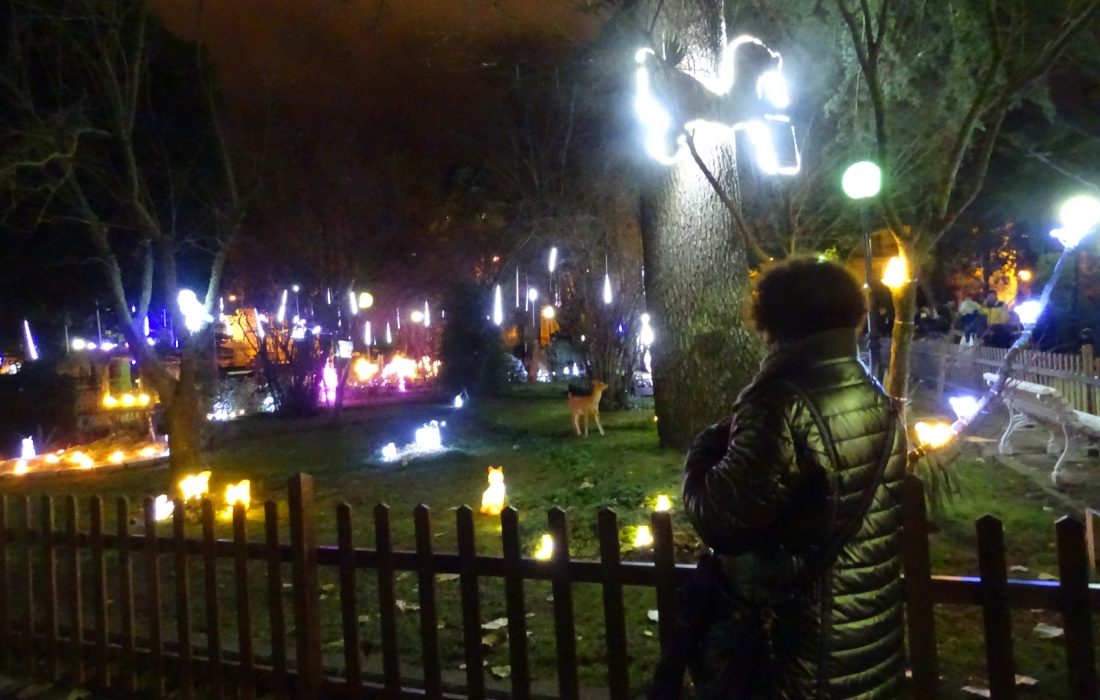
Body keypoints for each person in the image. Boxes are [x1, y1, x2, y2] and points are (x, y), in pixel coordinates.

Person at [676, 258, 905, 699]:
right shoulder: (871, 394)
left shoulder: (780, 404)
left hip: (796, 655)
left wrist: (706, 445)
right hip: (866, 647)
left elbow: (721, 520)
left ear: (771, 322)